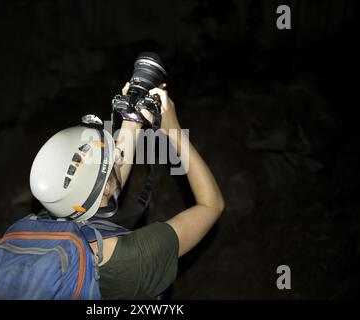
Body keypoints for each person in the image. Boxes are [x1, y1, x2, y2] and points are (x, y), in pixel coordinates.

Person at [29, 82, 225, 299]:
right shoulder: (131, 258)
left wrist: (132, 120)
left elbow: (101, 187)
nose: (117, 153)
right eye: (111, 157)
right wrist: (173, 130)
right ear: (107, 188)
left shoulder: (40, 229)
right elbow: (212, 205)